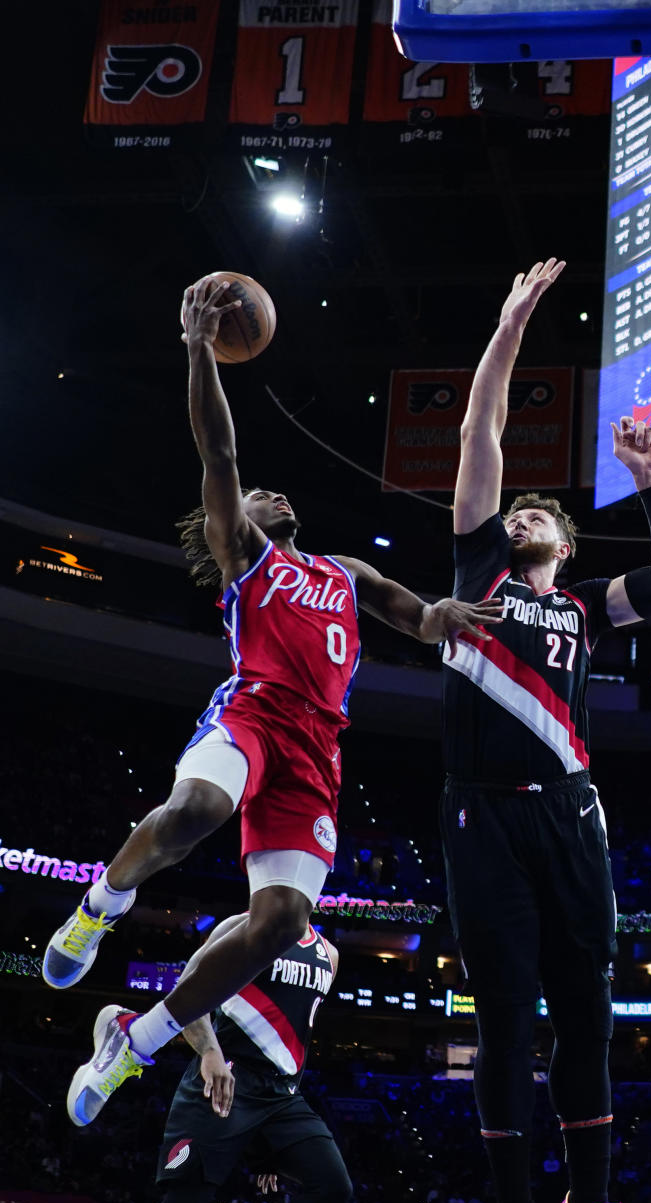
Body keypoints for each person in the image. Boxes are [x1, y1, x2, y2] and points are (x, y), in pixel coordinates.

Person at [46, 276, 501, 1127]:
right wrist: (195, 350)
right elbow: (219, 456)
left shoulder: (347, 574)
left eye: (277, 494)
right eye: (263, 496)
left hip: (318, 747)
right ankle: (98, 908)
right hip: (252, 711)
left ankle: (134, 1044)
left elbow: (421, 617)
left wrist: (453, 618)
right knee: (196, 809)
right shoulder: (247, 558)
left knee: (283, 922)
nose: (274, 494)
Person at [439, 258, 651, 1203]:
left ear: (567, 544)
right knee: (504, 1023)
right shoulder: (475, 580)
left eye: (546, 511)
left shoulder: (588, 609)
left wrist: (647, 475)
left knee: (587, 1021)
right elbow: (481, 440)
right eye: (520, 509)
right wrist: (507, 330)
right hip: (481, 814)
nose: (528, 511)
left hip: (570, 809)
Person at [18, 915, 350, 1203]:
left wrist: (267, 1148)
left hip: (281, 1094)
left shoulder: (328, 954)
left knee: (333, 1187)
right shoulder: (249, 924)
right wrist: (209, 1051)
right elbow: (186, 991)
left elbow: (294, 1037)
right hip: (222, 1076)